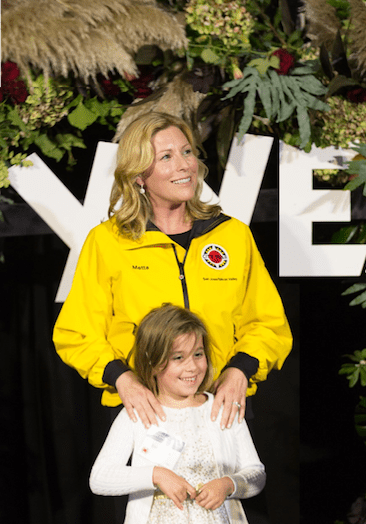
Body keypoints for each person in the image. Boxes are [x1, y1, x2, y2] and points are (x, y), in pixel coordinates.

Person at [53, 111, 292, 431]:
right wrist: (122, 380)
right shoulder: (108, 242)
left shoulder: (232, 235)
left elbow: (268, 323)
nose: (184, 165)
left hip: (222, 409)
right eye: (166, 156)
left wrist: (239, 372)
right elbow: (77, 333)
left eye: (187, 152)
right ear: (138, 174)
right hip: (142, 413)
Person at [90, 303, 266, 523]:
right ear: (152, 362)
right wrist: (156, 475)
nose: (192, 367)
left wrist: (229, 484)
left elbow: (256, 474)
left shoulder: (222, 409)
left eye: (198, 354)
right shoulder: (138, 414)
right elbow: (100, 477)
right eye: (178, 358)